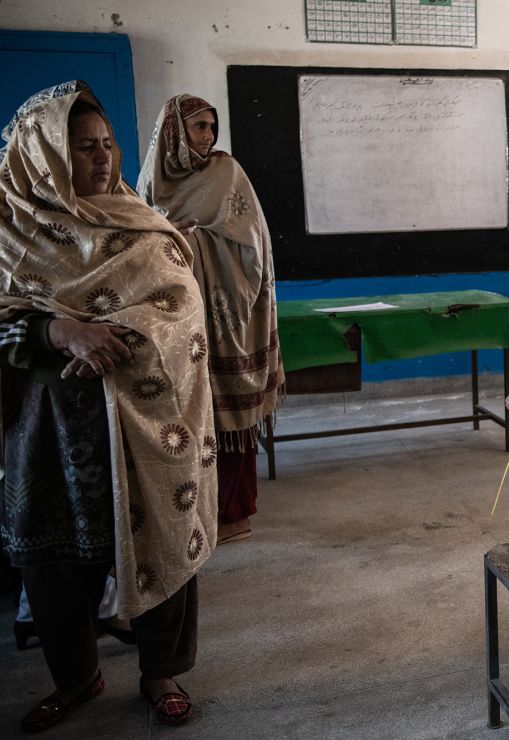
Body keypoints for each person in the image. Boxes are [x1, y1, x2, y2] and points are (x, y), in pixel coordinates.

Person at [0, 81, 216, 731]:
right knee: (54, 560)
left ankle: (161, 671)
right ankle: (77, 677)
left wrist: (132, 332)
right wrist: (56, 330)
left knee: (162, 537)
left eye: (106, 145)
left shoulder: (142, 226)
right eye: (82, 147)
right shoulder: (9, 229)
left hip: (144, 425)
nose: (101, 158)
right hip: (46, 430)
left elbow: (183, 312)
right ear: (41, 155)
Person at [138, 94, 284, 545]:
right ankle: (191, 512)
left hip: (229, 312)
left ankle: (233, 513)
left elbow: (252, 243)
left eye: (210, 127)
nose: (207, 136)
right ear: (172, 132)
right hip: (174, 316)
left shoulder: (226, 172)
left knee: (229, 416)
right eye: (198, 127)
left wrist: (192, 240)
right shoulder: (149, 180)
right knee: (185, 415)